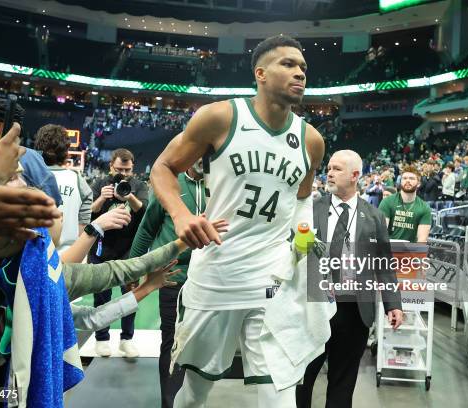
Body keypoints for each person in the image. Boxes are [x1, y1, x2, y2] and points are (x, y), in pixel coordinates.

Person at [150, 35, 324, 407]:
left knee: (279, 393)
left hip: (271, 280)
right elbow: (163, 168)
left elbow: (303, 199)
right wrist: (181, 215)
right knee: (195, 392)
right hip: (217, 275)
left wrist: (304, 238)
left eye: (303, 68)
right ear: (260, 73)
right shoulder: (220, 117)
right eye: (288, 64)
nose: (300, 73)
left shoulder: (311, 140)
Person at [296, 150, 402, 408]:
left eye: (337, 169)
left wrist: (393, 303)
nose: (329, 173)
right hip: (314, 307)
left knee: (342, 385)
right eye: (329, 167)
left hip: (355, 310)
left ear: (355, 175)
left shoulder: (374, 216)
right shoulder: (310, 210)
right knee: (302, 380)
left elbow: (384, 264)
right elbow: (297, 253)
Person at [129, 159, 206, 408]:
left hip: (210, 280)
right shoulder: (170, 185)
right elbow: (147, 228)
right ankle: (170, 403)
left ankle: (192, 401)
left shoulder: (222, 186)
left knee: (201, 344)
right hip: (174, 276)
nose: (204, 158)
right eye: (200, 152)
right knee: (172, 341)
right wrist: (132, 268)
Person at [89, 148, 149, 358]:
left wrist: (128, 194)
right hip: (101, 250)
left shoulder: (138, 185)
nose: (123, 174)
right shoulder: (99, 184)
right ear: (111, 167)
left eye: (128, 170)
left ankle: (126, 339)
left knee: (130, 296)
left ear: (133, 168)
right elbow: (88, 213)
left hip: (128, 251)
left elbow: (143, 213)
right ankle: (102, 338)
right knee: (102, 298)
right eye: (119, 169)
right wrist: (101, 199)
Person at [34, 124, 93, 253]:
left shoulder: (26, 177)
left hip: (31, 254)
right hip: (67, 257)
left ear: (38, 148)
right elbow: (83, 226)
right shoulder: (79, 181)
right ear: (67, 152)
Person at [379, 165, 432, 243]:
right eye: (404, 178)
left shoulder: (424, 208)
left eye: (411, 178)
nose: (407, 180)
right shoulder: (387, 202)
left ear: (419, 183)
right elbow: (381, 232)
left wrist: (417, 254)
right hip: (388, 250)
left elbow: (422, 240)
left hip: (411, 252)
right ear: (400, 182)